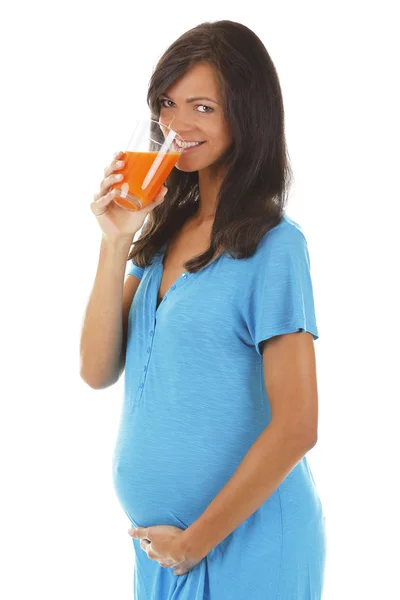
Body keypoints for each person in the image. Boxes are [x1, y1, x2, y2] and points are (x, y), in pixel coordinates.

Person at [81, 19, 327, 600]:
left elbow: (298, 426)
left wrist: (195, 543)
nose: (177, 125)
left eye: (203, 107)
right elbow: (96, 370)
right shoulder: (160, 235)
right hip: (162, 555)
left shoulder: (275, 247)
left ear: (247, 115)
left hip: (249, 546)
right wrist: (115, 242)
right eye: (168, 103)